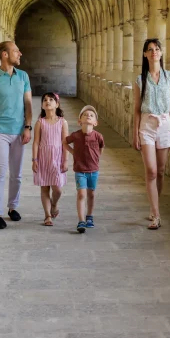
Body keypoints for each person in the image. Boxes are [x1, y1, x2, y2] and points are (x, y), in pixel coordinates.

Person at [0, 41, 32, 229]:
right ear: (4, 54)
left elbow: (28, 103)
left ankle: (12, 207)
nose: (20, 53)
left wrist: (28, 127)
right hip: (0, 132)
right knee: (1, 173)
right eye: (16, 51)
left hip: (19, 131)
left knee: (17, 175)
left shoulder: (23, 76)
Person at [133, 38, 170, 230]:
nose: (154, 52)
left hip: (165, 125)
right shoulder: (140, 80)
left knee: (160, 171)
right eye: (150, 49)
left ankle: (155, 207)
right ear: (145, 54)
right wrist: (135, 132)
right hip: (147, 124)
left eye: (157, 49)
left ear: (161, 53)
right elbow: (137, 109)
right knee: (151, 171)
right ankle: (156, 215)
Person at [63, 105, 104, 233]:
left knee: (91, 194)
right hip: (80, 170)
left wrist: (97, 157)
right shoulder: (75, 135)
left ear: (95, 123)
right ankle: (81, 220)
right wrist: (73, 152)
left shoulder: (98, 136)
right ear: (79, 121)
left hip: (93, 170)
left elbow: (101, 146)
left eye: (91, 115)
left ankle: (89, 216)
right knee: (81, 194)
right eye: (85, 115)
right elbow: (64, 142)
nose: (88, 116)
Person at [32, 92, 69, 226]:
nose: (48, 101)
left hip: (57, 158)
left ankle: (54, 203)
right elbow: (36, 142)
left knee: (57, 189)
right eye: (45, 100)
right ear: (42, 105)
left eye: (51, 99)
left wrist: (65, 160)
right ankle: (47, 215)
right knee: (44, 188)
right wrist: (34, 160)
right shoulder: (40, 123)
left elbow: (65, 143)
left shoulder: (62, 122)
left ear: (57, 104)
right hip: (43, 158)